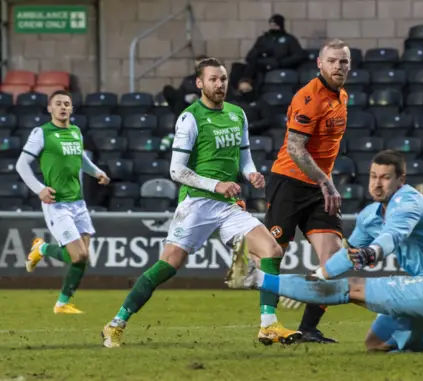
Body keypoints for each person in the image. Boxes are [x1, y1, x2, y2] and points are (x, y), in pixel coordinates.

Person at [101, 57, 300, 348]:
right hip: (196, 204)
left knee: (270, 249)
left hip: (227, 205)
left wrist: (251, 173)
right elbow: (176, 170)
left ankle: (268, 326)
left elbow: (244, 156)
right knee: (169, 265)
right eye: (213, 79)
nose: (219, 84)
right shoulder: (190, 117)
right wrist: (216, 184)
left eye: (222, 79)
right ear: (200, 83)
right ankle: (116, 323)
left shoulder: (237, 114)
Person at [229, 150, 423, 353]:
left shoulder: (408, 203)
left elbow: (392, 237)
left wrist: (371, 253)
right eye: (373, 176)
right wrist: (316, 277)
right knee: (375, 343)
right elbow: (348, 253)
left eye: (386, 178)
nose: (377, 184)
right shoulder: (370, 215)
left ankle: (254, 279)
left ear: (400, 180)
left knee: (351, 289)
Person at [226, 39, 350, 344]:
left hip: (320, 187)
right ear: (320, 64)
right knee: (273, 254)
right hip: (290, 183)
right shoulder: (309, 98)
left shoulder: (342, 95)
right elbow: (295, 148)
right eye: (332, 61)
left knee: (334, 260)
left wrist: (323, 182)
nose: (338, 66)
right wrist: (326, 181)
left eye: (343, 62)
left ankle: (308, 328)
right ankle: (267, 321)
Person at [15, 90, 110, 314]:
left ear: (72, 108)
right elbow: (21, 164)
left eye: (67, 103)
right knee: (80, 255)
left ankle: (62, 303)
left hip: (78, 203)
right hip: (56, 203)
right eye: (58, 104)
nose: (63, 107)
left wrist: (96, 173)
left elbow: (81, 159)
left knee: (81, 258)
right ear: (50, 108)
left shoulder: (76, 131)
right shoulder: (42, 133)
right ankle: (43, 248)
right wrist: (39, 189)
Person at [239, 14, 306, 92]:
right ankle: (245, 86)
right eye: (272, 24)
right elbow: (250, 57)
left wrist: (281, 63)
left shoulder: (289, 39)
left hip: (279, 65)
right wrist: (258, 53)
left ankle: (253, 92)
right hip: (262, 64)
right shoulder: (263, 39)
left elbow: (298, 55)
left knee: (259, 73)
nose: (273, 27)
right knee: (241, 68)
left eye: (275, 25)